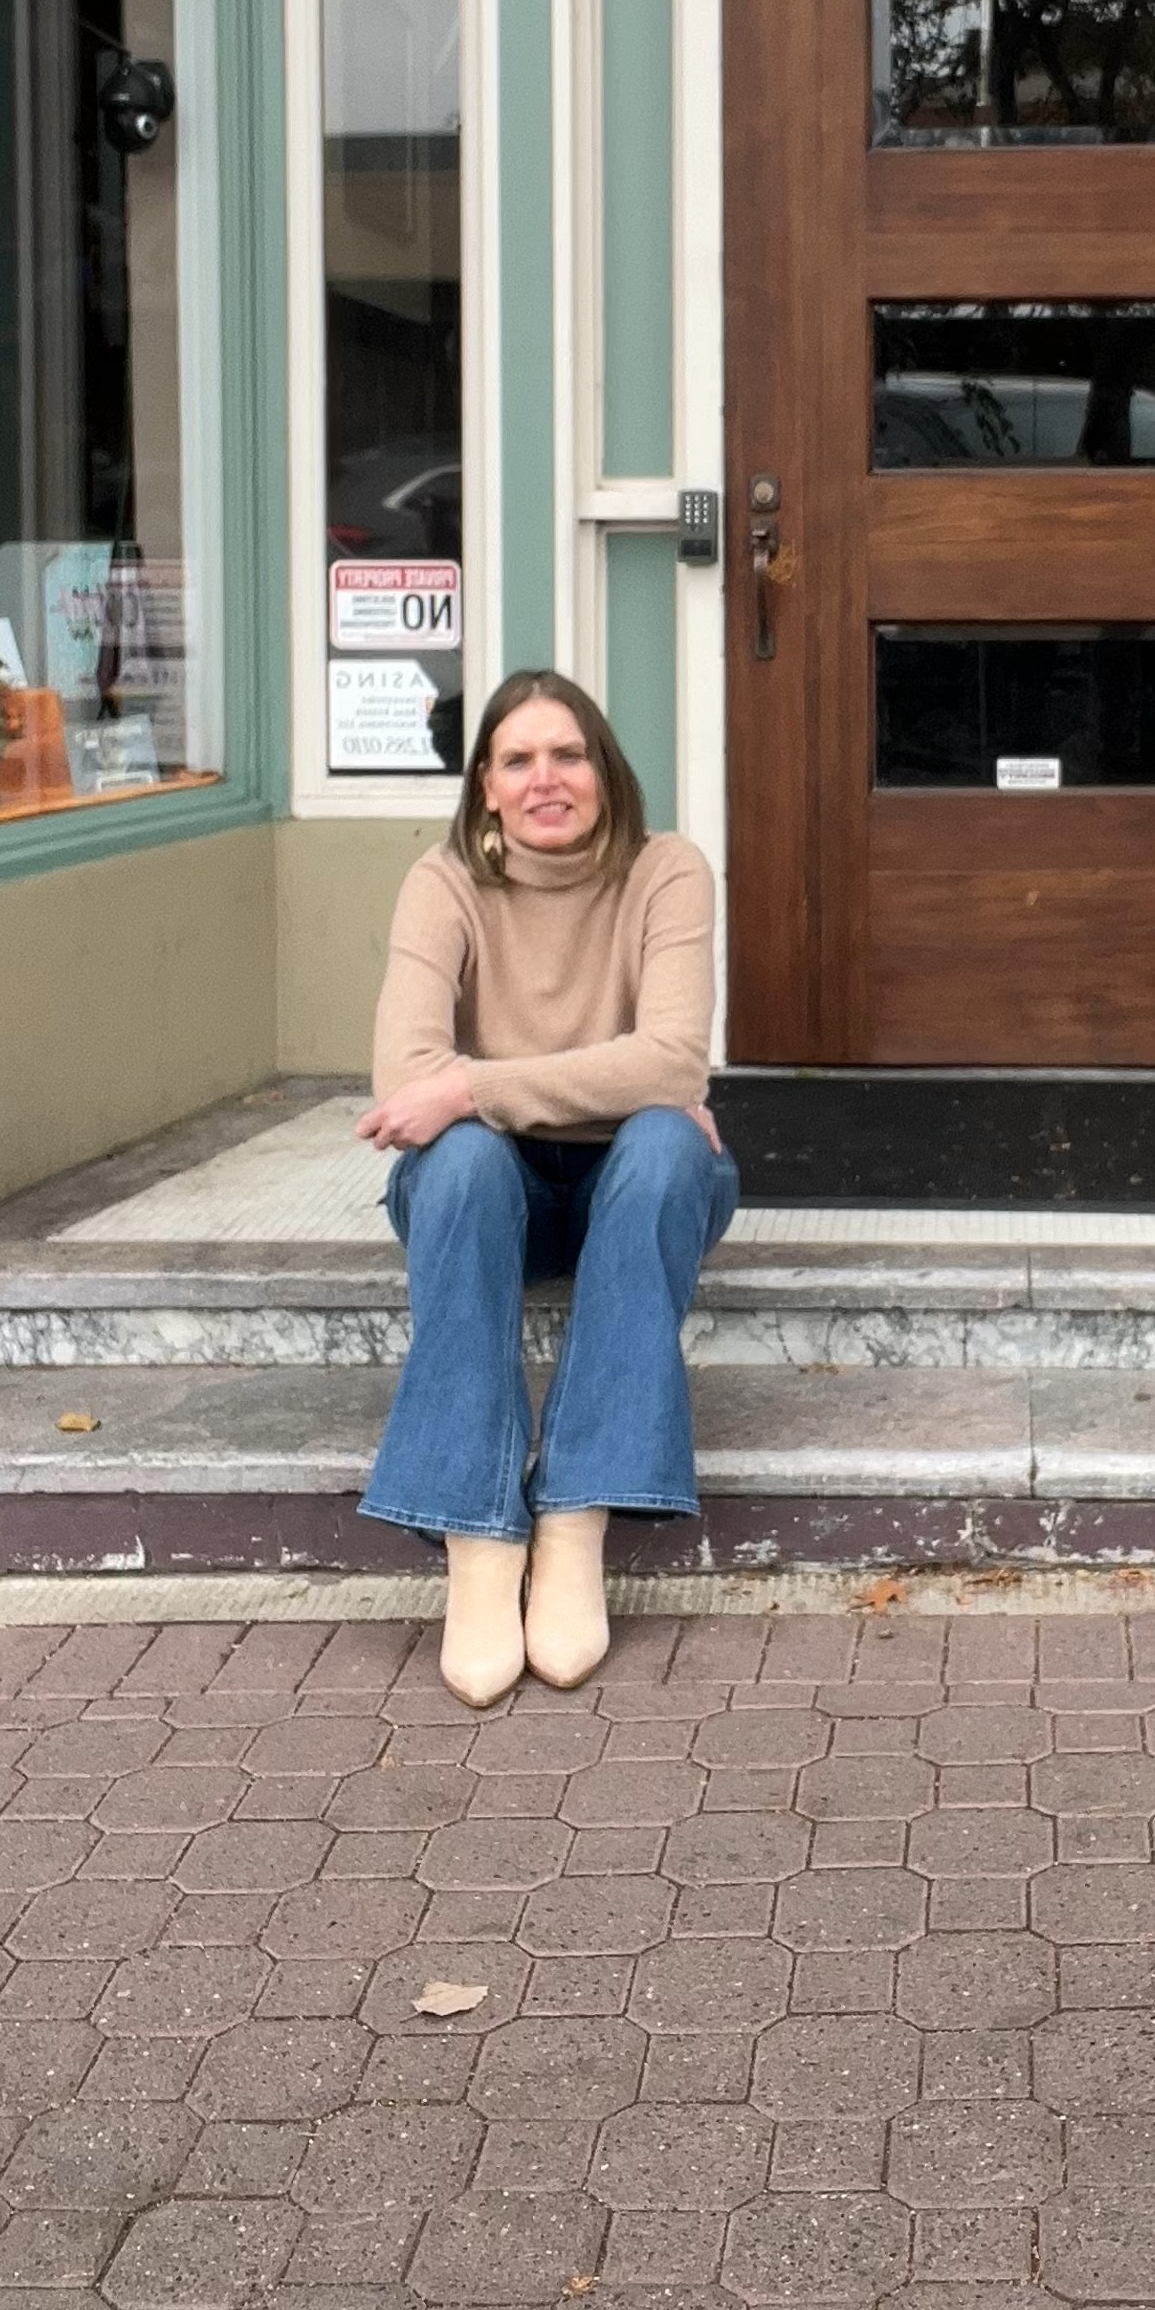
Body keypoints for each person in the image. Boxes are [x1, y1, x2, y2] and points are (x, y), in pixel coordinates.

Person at [356, 666, 736, 1707]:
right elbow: (403, 1083)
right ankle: (479, 1539)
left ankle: (574, 1519)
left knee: (663, 1143)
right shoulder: (443, 884)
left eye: (568, 754)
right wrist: (595, 1085)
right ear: (484, 784)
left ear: (605, 771)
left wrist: (475, 1083)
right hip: (492, 1201)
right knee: (467, 1158)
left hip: (635, 1191)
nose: (545, 779)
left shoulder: (668, 872)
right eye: (517, 760)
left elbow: (673, 1069)